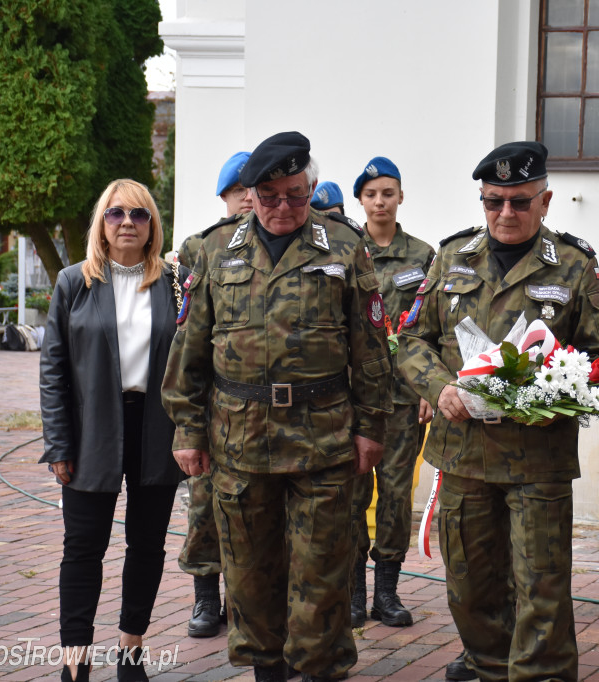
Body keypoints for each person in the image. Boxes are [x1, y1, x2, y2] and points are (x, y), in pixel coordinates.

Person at [162, 131, 393, 682]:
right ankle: (265, 669)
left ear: (309, 188)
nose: (284, 207)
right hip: (240, 444)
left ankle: (320, 669)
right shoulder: (213, 250)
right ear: (251, 194)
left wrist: (371, 427)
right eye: (270, 196)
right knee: (248, 576)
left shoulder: (343, 246)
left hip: (325, 440)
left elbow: (371, 346)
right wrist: (188, 431)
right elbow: (189, 350)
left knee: (323, 574)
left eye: (295, 194)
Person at [397, 141, 599, 682]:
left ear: (545, 201)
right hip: (465, 452)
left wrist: (553, 381)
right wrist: (440, 386)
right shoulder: (452, 258)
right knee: (470, 581)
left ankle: (540, 674)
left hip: (536, 455)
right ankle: (491, 665)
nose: (505, 214)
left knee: (541, 582)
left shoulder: (573, 264)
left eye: (520, 202)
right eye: (493, 201)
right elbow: (410, 341)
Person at [39, 179, 185, 682]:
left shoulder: (173, 282)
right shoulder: (73, 283)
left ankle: (130, 651)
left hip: (156, 428)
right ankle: (75, 661)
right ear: (101, 223)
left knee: (147, 545)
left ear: (152, 227)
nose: (128, 222)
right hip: (92, 430)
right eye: (116, 213)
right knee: (83, 548)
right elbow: (53, 371)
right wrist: (58, 443)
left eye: (139, 215)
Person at [348, 157, 436, 628]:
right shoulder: (345, 250)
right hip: (354, 398)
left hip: (403, 398)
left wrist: (430, 386)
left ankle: (387, 591)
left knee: (397, 494)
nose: (379, 201)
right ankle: (353, 593)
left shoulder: (423, 256)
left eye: (388, 192)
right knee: (352, 493)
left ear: (401, 196)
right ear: (360, 200)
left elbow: (433, 328)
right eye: (371, 194)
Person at [174, 150, 253, 639]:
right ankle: (206, 599)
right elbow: (188, 336)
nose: (247, 197)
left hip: (255, 413)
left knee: (250, 513)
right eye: (238, 190)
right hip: (212, 408)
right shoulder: (198, 250)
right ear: (224, 196)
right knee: (203, 506)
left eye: (253, 189)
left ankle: (241, 600)